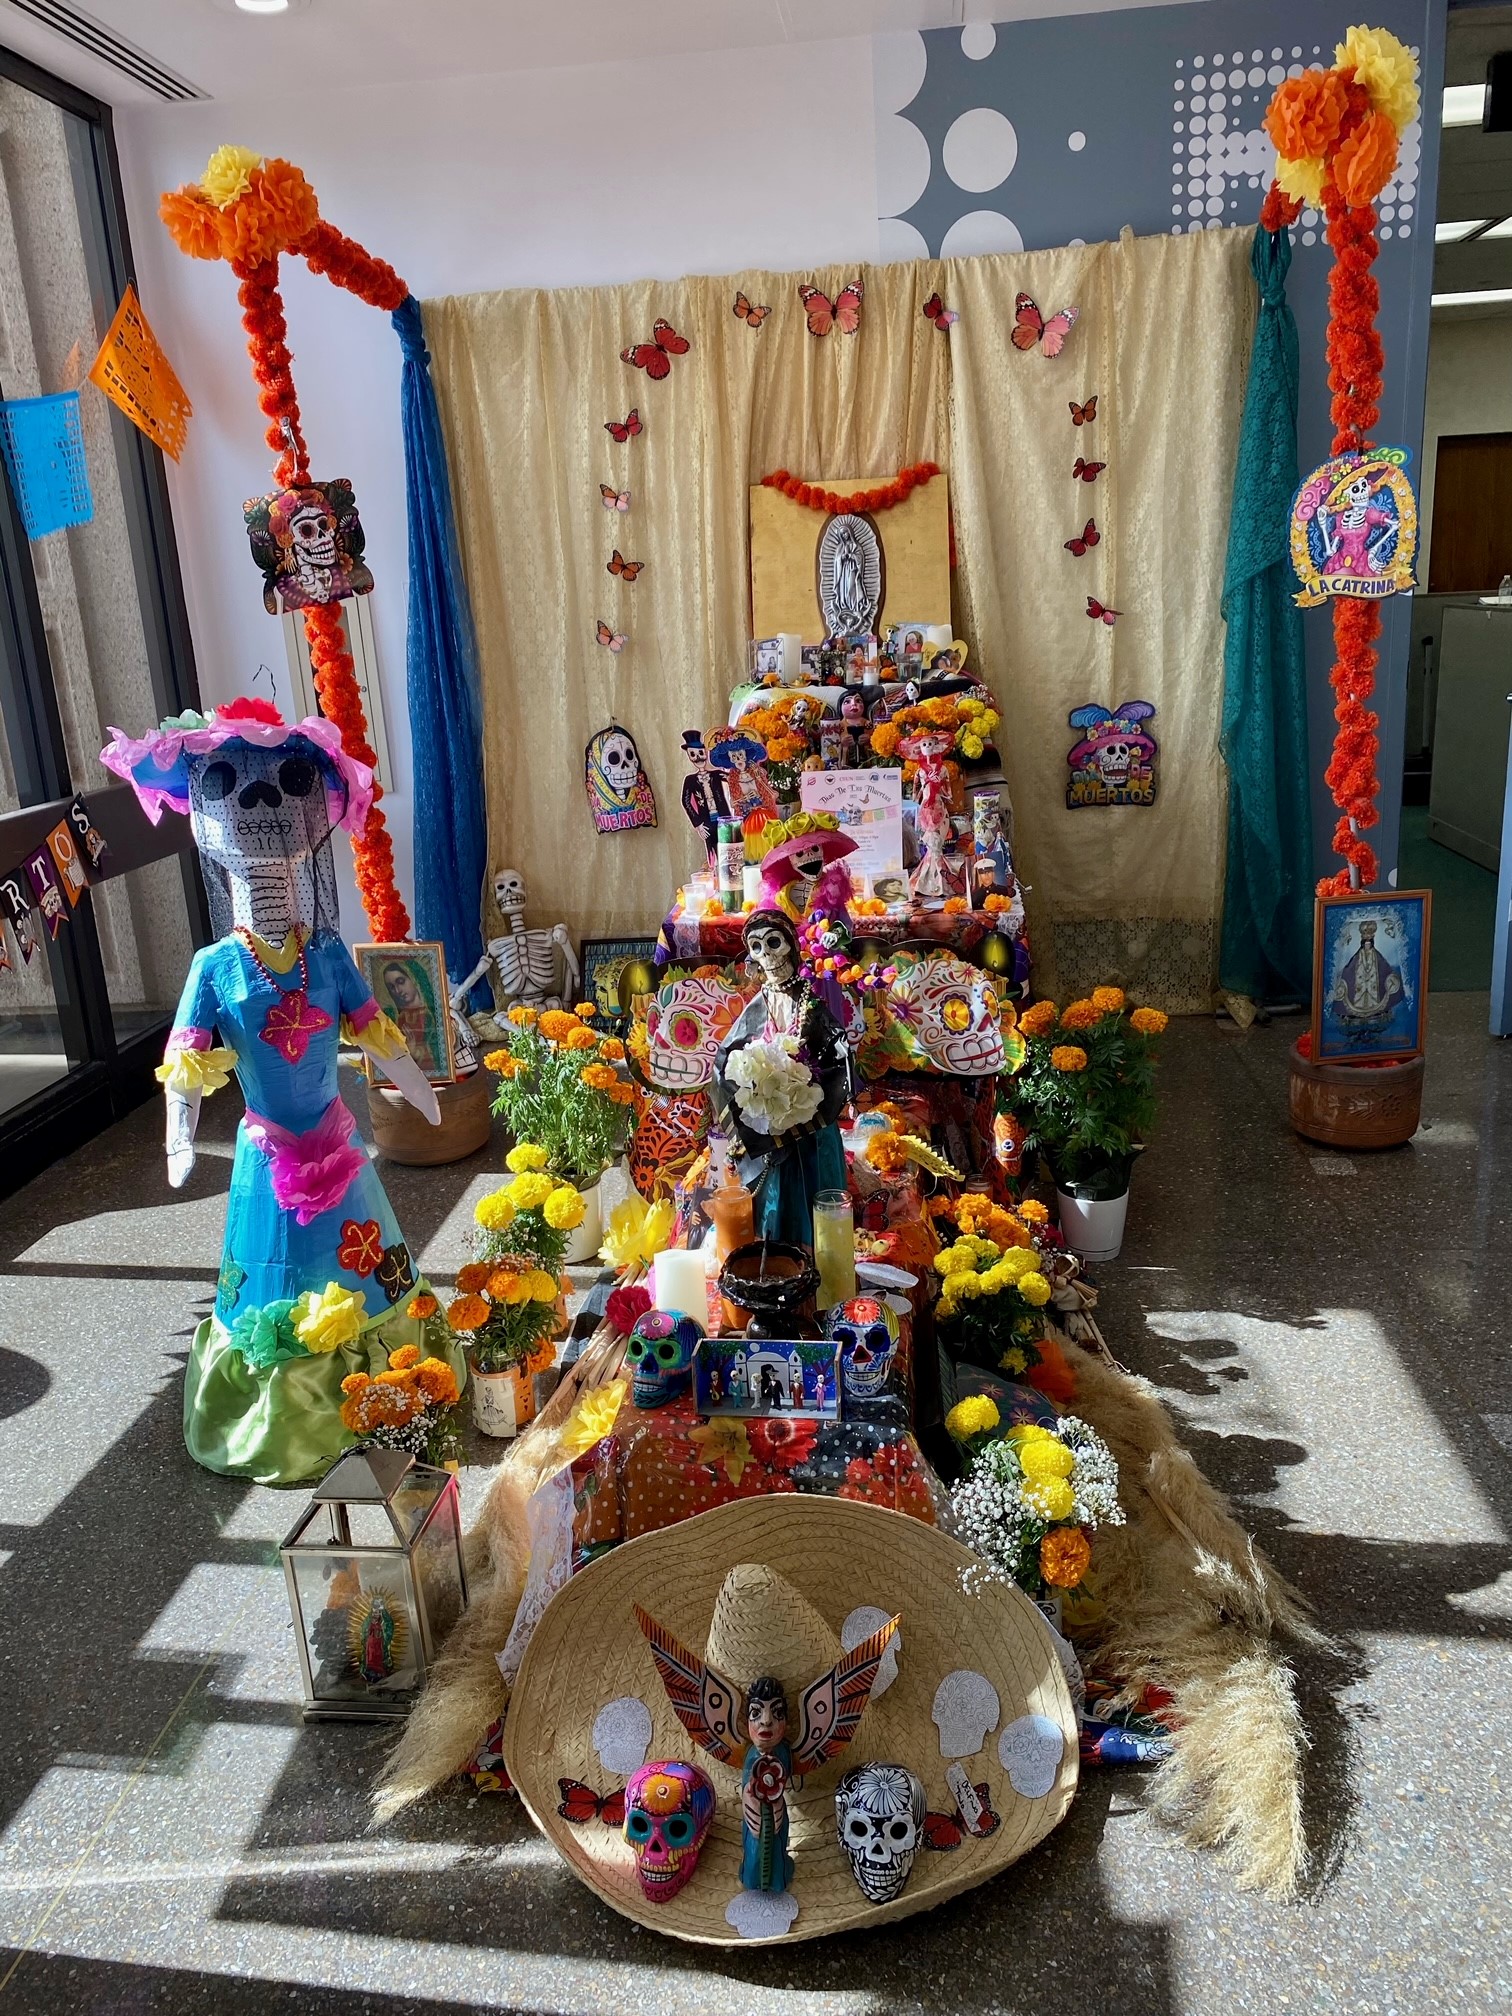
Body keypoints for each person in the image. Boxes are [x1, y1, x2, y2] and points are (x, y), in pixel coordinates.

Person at [383, 960, 439, 1074]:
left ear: (413, 978)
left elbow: (438, 1053)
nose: (397, 990)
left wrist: (415, 1052)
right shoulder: (398, 1020)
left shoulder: (432, 1015)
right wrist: (411, 1053)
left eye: (400, 981)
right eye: (391, 987)